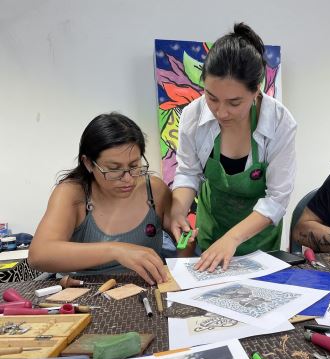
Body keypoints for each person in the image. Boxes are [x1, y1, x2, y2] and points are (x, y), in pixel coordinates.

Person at [171, 23, 297, 272]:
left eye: (234, 102)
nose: (221, 111)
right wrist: (177, 210)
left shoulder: (280, 123)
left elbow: (277, 199)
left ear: (256, 91)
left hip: (259, 241)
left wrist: (233, 238)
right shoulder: (193, 116)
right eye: (212, 97)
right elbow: (188, 173)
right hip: (212, 229)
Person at [28, 113, 170, 285]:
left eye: (134, 166)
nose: (128, 179)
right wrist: (116, 250)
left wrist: (187, 241)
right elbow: (39, 255)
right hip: (88, 293)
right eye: (113, 169)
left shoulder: (154, 190)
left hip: (149, 291)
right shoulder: (72, 193)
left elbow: (183, 250)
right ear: (88, 163)